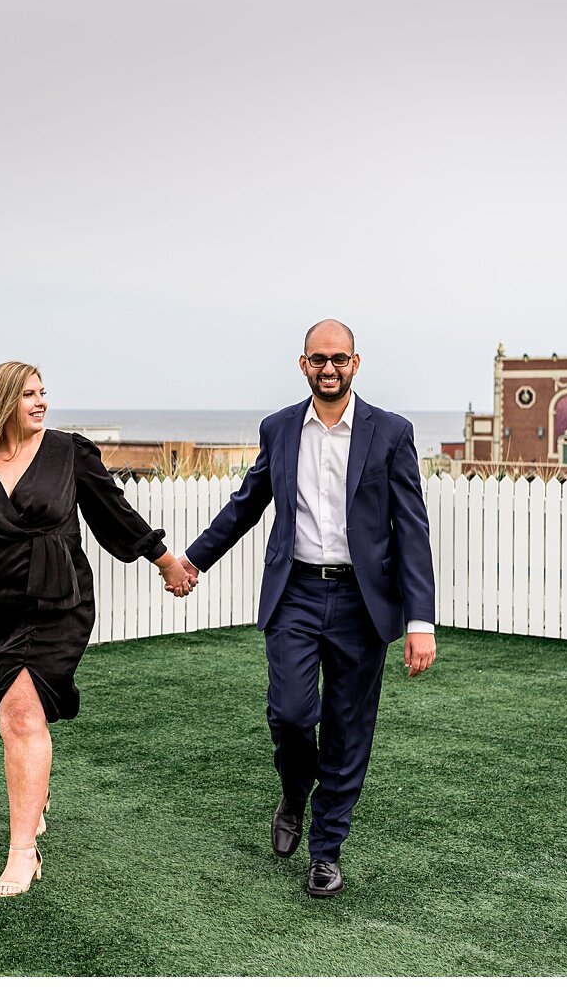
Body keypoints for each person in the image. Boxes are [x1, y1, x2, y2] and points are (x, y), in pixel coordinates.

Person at [0, 360, 195, 897]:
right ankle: (33, 796)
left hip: (57, 605)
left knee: (21, 715)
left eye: (43, 392)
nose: (41, 402)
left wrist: (164, 560)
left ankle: (22, 852)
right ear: (1, 402)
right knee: (13, 719)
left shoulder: (69, 453)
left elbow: (114, 513)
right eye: (28, 395)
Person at [174, 319, 436, 897]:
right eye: (319, 359)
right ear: (303, 364)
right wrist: (193, 560)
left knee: (348, 728)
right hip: (293, 592)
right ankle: (295, 790)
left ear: (356, 363)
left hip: (362, 603)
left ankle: (327, 850)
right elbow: (247, 504)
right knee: (292, 715)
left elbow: (411, 531)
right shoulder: (280, 429)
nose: (329, 368)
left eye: (339, 359)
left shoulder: (391, 433)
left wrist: (420, 621)